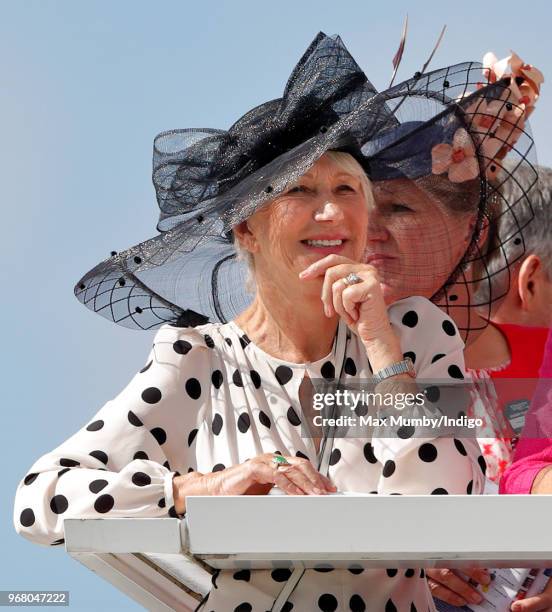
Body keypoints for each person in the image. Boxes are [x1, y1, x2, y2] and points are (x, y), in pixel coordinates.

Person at [13, 33, 524, 611]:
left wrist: (382, 352)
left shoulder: (413, 334)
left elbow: (444, 503)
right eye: (299, 190)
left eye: (347, 189)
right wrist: (200, 489)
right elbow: (41, 499)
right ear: (246, 230)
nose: (330, 211)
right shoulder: (199, 361)